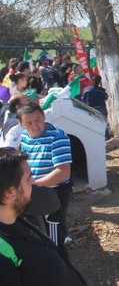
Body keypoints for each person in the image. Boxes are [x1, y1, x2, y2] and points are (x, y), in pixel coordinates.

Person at [0, 148, 87, 285]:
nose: (34, 183)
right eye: (29, 179)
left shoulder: (15, 216)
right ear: (10, 193)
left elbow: (51, 201)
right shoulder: (3, 253)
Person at [18, 103, 72, 249]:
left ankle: (59, 263)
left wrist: (34, 184)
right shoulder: (24, 136)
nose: (35, 126)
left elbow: (63, 172)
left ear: (43, 116)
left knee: (53, 232)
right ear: (21, 124)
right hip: (34, 189)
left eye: (38, 120)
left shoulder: (57, 137)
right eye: (29, 123)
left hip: (54, 191)